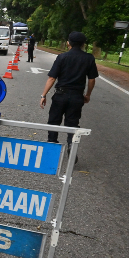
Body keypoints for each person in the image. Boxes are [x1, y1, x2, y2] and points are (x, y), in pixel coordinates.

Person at [40, 31, 98, 163]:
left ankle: (52, 146)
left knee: (54, 121)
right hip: (77, 96)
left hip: (61, 94)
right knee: (72, 123)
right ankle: (71, 145)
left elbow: (52, 78)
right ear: (83, 44)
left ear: (68, 43)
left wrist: (43, 95)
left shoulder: (62, 57)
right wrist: (87, 95)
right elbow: (92, 79)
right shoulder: (89, 58)